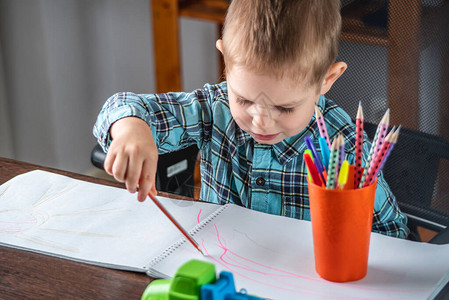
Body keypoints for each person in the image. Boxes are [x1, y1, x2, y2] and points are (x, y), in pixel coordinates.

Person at [93, 0, 409, 238]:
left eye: (284, 108)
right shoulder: (214, 108)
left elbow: (394, 234)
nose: (260, 122)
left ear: (327, 80)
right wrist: (130, 129)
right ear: (226, 65)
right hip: (220, 272)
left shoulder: (345, 148)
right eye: (243, 100)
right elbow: (124, 105)